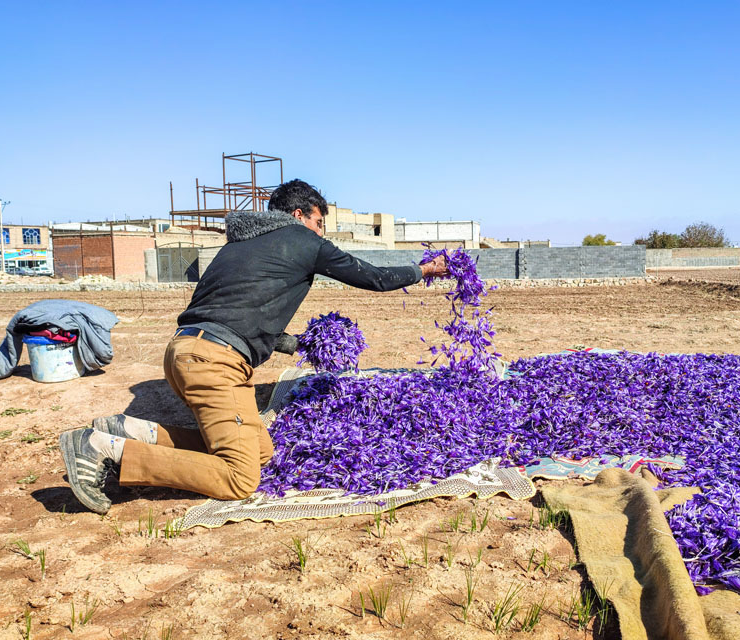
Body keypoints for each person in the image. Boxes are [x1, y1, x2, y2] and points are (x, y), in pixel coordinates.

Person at [59, 179, 448, 514]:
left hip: (184, 352)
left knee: (260, 452)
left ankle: (132, 431)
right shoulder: (302, 240)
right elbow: (373, 277)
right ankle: (100, 448)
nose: (320, 232)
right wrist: (423, 270)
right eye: (318, 222)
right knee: (240, 477)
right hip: (215, 363)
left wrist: (299, 343)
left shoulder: (239, 246)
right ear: (298, 216)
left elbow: (239, 312)